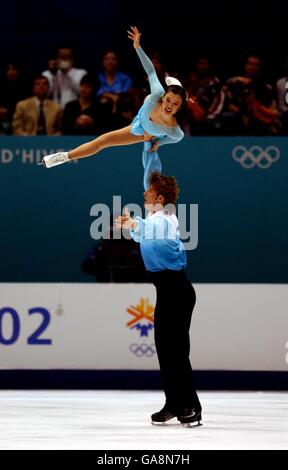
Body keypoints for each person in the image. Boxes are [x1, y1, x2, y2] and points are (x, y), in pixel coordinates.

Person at [40, 26, 187, 190]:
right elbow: (151, 71)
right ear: (164, 97)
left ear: (180, 107)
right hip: (144, 114)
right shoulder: (158, 94)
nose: (169, 106)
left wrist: (158, 143)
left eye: (175, 104)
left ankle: (178, 95)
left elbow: (175, 138)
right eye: (168, 100)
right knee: (105, 137)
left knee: (104, 141)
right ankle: (65, 156)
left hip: (142, 130)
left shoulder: (175, 130)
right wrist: (138, 47)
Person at [116, 171, 202, 426]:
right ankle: (173, 403)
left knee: (176, 351)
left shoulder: (165, 219)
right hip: (167, 292)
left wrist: (133, 224)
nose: (144, 193)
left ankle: (191, 406)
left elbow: (148, 229)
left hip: (177, 291)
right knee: (166, 351)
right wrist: (148, 146)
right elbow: (143, 234)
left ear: (160, 197)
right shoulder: (154, 218)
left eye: (149, 191)